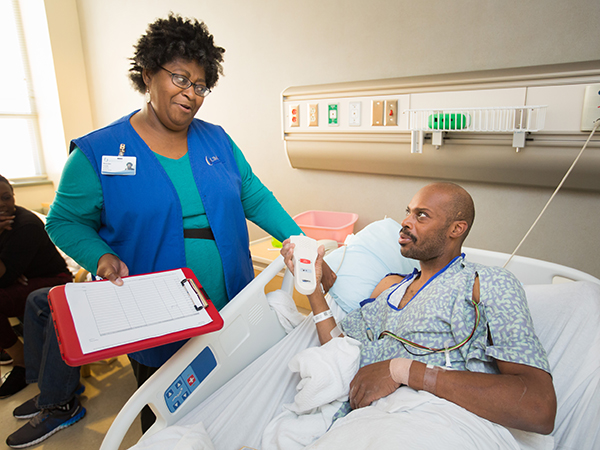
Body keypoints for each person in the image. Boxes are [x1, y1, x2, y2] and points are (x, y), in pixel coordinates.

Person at [6, 14, 333, 448]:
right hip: (155, 313)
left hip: (233, 302)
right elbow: (64, 221)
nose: (191, 94)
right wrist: (99, 256)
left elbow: (254, 197)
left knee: (232, 405)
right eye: (180, 78)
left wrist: (300, 243)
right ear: (147, 74)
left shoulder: (216, 140)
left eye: (200, 85)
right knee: (168, 419)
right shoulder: (99, 152)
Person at [281, 182, 557, 439]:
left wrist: (403, 371)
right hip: (367, 423)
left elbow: (538, 406)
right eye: (408, 213)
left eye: (421, 215)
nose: (405, 223)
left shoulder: (485, 283)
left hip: (442, 423)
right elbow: (339, 357)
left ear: (456, 229)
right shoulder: (388, 292)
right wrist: (315, 290)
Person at [0, 175, 72, 399]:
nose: (3, 204)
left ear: (14, 196)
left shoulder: (25, 225)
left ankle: (21, 363)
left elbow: (3, 278)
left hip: (55, 280)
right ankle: (11, 345)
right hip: (28, 279)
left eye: (6, 197)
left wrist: (10, 276)